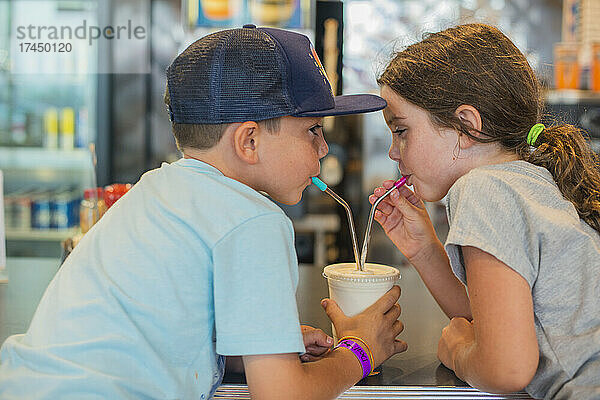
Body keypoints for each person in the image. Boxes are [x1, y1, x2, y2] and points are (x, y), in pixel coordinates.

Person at [0, 25, 407, 399]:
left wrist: (256, 343)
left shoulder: (155, 189)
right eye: (313, 131)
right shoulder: (254, 220)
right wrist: (361, 350)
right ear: (248, 141)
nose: (322, 149)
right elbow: (283, 395)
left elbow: (151, 339)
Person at [370, 23, 600, 399]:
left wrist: (458, 351)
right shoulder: (528, 180)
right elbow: (499, 320)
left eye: (401, 131)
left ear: (465, 126)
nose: (393, 152)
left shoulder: (483, 188)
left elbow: (506, 367)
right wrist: (426, 251)